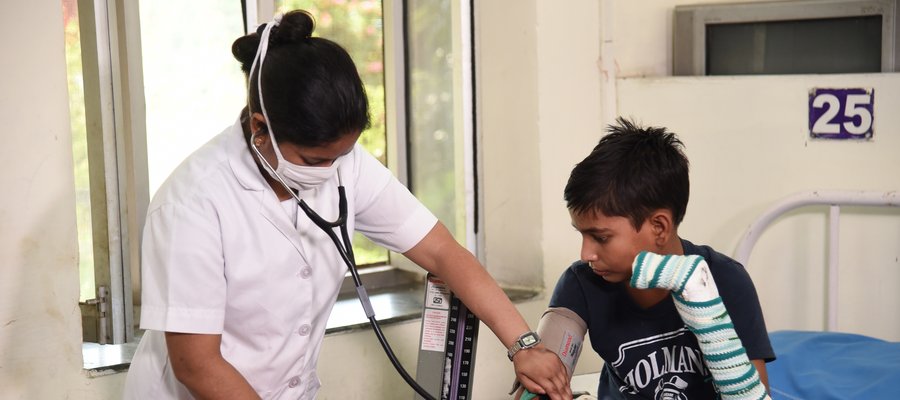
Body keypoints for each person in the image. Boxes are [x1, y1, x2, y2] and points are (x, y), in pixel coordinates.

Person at [123, 10, 570, 400]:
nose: (330, 170)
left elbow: (441, 252)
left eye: (341, 156)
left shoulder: (346, 165)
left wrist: (524, 345)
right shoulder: (193, 203)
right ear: (261, 128)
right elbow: (197, 365)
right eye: (315, 160)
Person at [546, 118, 775, 399]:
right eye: (581, 235)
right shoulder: (582, 283)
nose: (586, 254)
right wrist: (540, 378)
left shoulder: (727, 280)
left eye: (601, 237)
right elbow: (545, 374)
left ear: (659, 227)